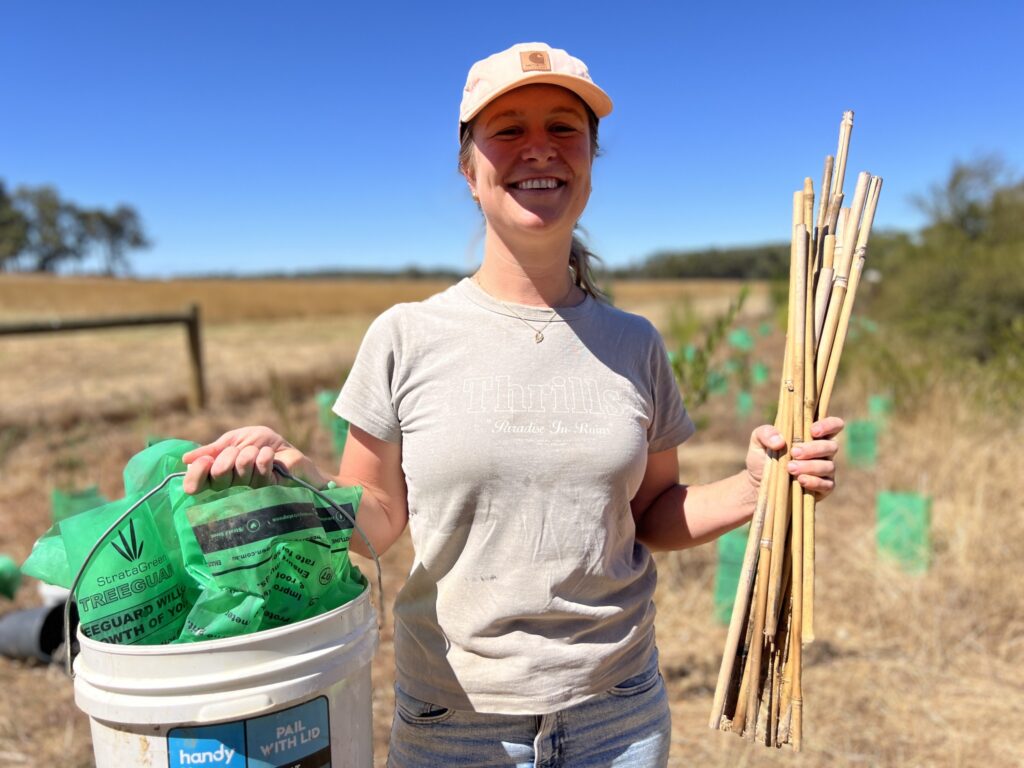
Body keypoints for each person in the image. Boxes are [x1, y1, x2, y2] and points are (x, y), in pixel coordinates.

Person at [182, 42, 843, 768]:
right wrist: (302, 484)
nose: (540, 149)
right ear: (469, 169)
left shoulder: (635, 344)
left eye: (564, 128)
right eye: (508, 130)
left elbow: (652, 515)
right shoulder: (405, 335)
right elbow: (378, 517)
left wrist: (756, 487)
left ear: (591, 157)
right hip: (454, 722)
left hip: (617, 714)